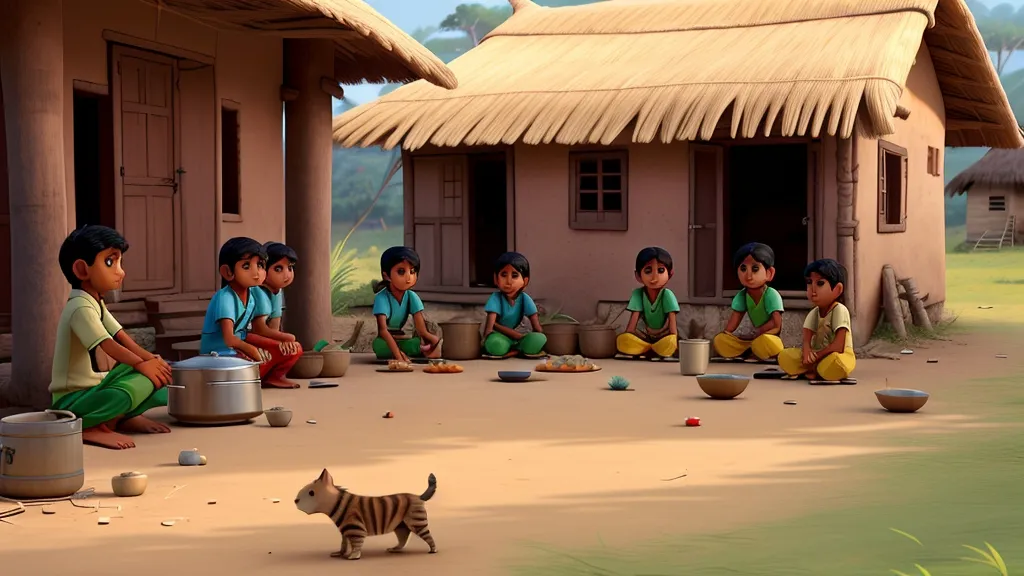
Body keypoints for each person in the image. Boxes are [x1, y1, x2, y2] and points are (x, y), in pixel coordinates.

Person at [49, 225, 173, 450]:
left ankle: (118, 419)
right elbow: (107, 345)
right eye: (110, 262)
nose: (121, 271)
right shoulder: (79, 307)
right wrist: (143, 366)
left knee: (160, 381)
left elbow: (120, 335)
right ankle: (87, 426)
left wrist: (151, 360)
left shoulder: (95, 301)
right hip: (73, 400)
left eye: (120, 262)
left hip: (96, 388)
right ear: (81, 269)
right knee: (142, 381)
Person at [200, 237, 300, 388]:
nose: (256, 272)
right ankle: (247, 381)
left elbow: (250, 331)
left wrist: (276, 344)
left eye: (260, 265)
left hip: (242, 342)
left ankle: (269, 377)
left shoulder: (252, 295)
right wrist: (253, 350)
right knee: (257, 359)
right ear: (227, 272)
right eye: (246, 266)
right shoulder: (225, 297)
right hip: (219, 351)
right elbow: (229, 339)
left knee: (293, 348)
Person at [778, 259, 856, 381]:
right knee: (785, 356)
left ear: (838, 289)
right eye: (809, 282)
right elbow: (806, 339)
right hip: (816, 354)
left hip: (837, 355)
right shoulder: (814, 312)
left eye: (820, 283)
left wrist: (816, 357)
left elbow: (839, 346)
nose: (813, 289)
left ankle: (815, 369)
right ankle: (816, 369)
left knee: (836, 363)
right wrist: (807, 353)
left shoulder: (839, 310)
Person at [713, 242, 785, 362]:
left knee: (767, 343)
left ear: (769, 273)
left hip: (768, 337)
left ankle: (755, 350)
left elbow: (777, 326)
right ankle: (749, 351)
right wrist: (727, 335)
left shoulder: (771, 295)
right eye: (743, 269)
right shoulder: (742, 295)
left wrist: (760, 333)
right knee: (719, 340)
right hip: (753, 339)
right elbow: (732, 325)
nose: (749, 275)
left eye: (755, 269)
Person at [371, 246, 441, 362]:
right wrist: (398, 356)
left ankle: (407, 351)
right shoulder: (382, 298)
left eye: (412, 271)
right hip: (386, 340)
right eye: (401, 272)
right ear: (386, 276)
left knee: (417, 344)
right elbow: (383, 331)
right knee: (379, 346)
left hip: (404, 338)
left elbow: (421, 330)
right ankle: (399, 353)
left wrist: (435, 340)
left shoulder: (411, 296)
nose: (408, 278)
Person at [616, 247, 680, 359]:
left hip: (663, 336)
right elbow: (632, 324)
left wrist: (673, 341)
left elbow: (672, 327)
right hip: (644, 337)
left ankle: (651, 350)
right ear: (638, 276)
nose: (654, 278)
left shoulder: (667, 294)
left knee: (671, 342)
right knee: (623, 340)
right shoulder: (638, 294)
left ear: (670, 274)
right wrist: (628, 337)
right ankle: (649, 349)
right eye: (648, 271)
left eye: (660, 271)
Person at [482, 252, 546, 358]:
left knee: (540, 339)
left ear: (525, 281)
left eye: (514, 275)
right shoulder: (496, 298)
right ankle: (513, 350)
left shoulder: (525, 299)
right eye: (503, 275)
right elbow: (490, 328)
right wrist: (486, 340)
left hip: (519, 337)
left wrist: (537, 337)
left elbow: (537, 327)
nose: (508, 281)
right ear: (495, 279)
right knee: (495, 344)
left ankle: (518, 348)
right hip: (499, 336)